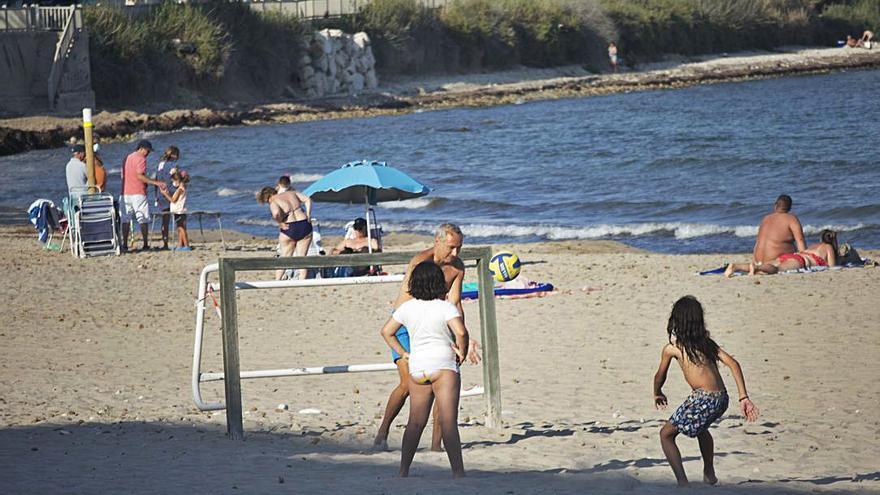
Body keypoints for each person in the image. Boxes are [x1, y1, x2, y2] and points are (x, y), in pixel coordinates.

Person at [373, 223, 481, 452]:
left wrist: (464, 336)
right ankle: (383, 430)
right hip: (406, 324)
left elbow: (455, 303)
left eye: (459, 248)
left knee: (443, 381)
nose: (456, 254)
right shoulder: (421, 263)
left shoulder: (457, 267)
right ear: (437, 242)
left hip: (436, 323)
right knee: (408, 384)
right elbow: (415, 302)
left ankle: (436, 445)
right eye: (451, 248)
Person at [654, 296, 759, 487]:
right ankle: (709, 472)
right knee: (702, 428)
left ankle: (683, 483)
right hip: (722, 398)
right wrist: (743, 397)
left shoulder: (673, 349)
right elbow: (733, 364)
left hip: (704, 398)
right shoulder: (707, 343)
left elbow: (659, 376)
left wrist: (658, 392)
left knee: (666, 435)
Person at [380, 261, 469, 478]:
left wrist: (403, 353)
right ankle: (458, 472)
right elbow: (461, 332)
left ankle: (403, 470)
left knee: (415, 422)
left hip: (418, 367)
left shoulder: (407, 308)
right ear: (439, 283)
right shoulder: (445, 306)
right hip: (443, 365)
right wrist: (462, 351)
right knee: (448, 422)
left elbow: (386, 332)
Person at [256, 185, 313, 280]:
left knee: (285, 257)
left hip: (290, 227)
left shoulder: (273, 200)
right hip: (304, 224)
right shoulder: (292, 193)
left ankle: (277, 280)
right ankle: (302, 281)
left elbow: (276, 213)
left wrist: (280, 222)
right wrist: (308, 214)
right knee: (302, 257)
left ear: (267, 197)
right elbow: (307, 199)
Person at [725, 229, 838, 277]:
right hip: (800, 261)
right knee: (777, 269)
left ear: (820, 238)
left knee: (768, 265)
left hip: (793, 255)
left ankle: (736, 266)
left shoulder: (814, 245)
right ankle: (755, 267)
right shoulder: (828, 247)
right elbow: (832, 266)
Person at [120, 140, 166, 252]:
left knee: (125, 219)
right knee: (143, 219)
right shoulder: (141, 159)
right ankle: (145, 244)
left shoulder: (127, 158)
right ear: (141, 148)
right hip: (138, 192)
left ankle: (125, 244)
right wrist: (156, 183)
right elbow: (140, 176)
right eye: (147, 151)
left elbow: (123, 175)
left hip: (125, 192)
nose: (148, 153)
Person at [752, 194, 806, 265]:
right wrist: (805, 259)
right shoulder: (791, 219)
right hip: (774, 262)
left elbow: (758, 241)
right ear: (790, 208)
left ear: (775, 205)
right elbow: (800, 241)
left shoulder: (765, 218)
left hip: (757, 261)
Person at [154, 146, 180, 250]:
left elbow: (157, 179)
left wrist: (156, 195)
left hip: (161, 193)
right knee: (179, 218)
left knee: (165, 220)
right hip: (171, 193)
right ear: (174, 155)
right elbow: (175, 181)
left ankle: (165, 242)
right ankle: (180, 241)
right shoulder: (173, 166)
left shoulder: (160, 165)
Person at [160, 169, 190, 251]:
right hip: (180, 210)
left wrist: (165, 194)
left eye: (173, 181)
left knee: (181, 228)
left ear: (177, 180)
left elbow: (173, 200)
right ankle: (180, 245)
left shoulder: (180, 189)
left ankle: (186, 245)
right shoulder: (182, 187)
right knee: (180, 227)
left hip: (179, 210)